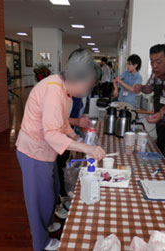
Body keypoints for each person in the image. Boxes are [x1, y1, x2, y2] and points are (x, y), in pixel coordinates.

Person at [16, 49, 106, 251]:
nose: (87, 90)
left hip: (46, 151)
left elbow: (63, 124)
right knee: (39, 199)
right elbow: (51, 134)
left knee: (52, 191)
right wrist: (85, 147)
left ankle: (45, 226)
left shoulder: (64, 91)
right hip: (33, 150)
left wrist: (78, 138)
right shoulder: (54, 91)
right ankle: (41, 242)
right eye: (88, 85)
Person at [134, 44, 165, 152]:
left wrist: (162, 113)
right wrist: (141, 87)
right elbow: (148, 89)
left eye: (158, 62)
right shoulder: (155, 74)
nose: (154, 66)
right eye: (151, 61)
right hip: (160, 120)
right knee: (160, 146)